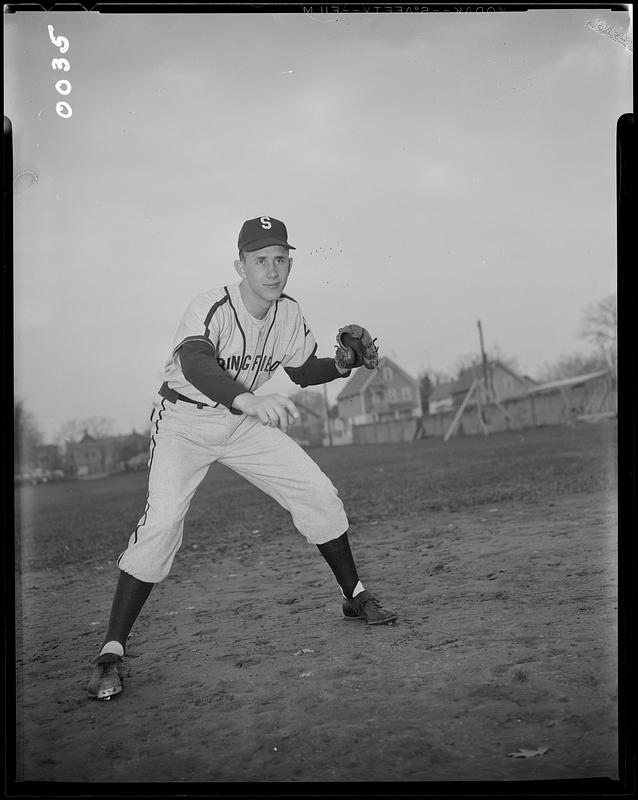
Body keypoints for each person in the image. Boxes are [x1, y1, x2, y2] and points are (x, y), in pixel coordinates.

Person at [87, 216, 398, 701]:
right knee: (162, 525)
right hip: (184, 423)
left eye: (280, 260)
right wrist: (247, 399)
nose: (271, 271)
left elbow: (300, 371)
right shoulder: (211, 307)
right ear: (241, 265)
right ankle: (111, 650)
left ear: (289, 265)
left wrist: (344, 364)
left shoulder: (289, 314)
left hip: (240, 423)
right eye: (260, 261)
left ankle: (355, 598)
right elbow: (196, 362)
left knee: (316, 492)